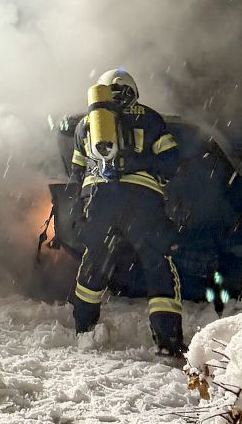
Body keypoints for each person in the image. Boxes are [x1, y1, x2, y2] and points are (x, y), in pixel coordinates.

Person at [69, 68, 184, 356]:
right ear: (132, 90)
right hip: (141, 201)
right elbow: (171, 161)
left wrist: (78, 210)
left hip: (98, 199)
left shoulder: (86, 125)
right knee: (157, 263)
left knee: (94, 262)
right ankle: (167, 341)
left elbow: (75, 172)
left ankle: (84, 330)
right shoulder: (149, 117)